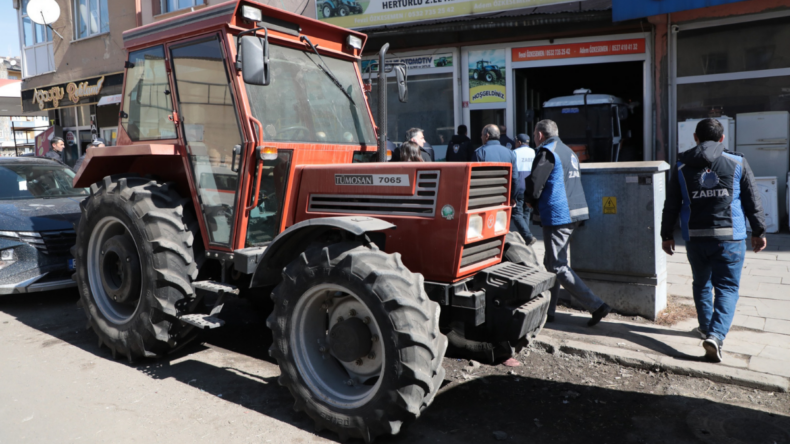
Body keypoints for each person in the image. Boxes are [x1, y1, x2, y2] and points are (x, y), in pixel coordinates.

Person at [660, 118, 767, 363]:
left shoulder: (681, 166)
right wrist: (759, 231)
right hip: (730, 237)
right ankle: (716, 336)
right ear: (722, 139)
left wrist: (666, 235)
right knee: (727, 287)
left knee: (702, 284)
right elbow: (753, 198)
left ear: (695, 138)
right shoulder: (737, 161)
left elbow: (671, 205)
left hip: (695, 238)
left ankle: (706, 328)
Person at [524, 119, 612, 327]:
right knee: (551, 264)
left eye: (535, 133)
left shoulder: (547, 151)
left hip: (558, 214)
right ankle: (550, 311)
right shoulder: (570, 152)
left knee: (557, 265)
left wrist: (528, 200)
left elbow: (535, 184)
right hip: (574, 212)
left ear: (539, 135)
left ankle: (597, 305)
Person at [511, 133, 535, 245]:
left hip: (520, 187)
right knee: (526, 212)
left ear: (519, 142)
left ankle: (527, 236)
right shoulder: (534, 152)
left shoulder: (514, 153)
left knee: (516, 213)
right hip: (530, 187)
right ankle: (526, 237)